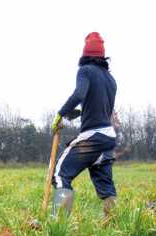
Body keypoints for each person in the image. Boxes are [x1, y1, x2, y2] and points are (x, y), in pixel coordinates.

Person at [50, 32, 118, 220]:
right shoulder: (111, 80)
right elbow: (96, 106)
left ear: (85, 54)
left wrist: (61, 113)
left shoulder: (85, 70)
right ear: (102, 55)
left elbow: (79, 94)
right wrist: (75, 114)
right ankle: (113, 223)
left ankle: (59, 225)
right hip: (108, 137)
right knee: (105, 185)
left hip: (93, 136)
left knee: (60, 174)